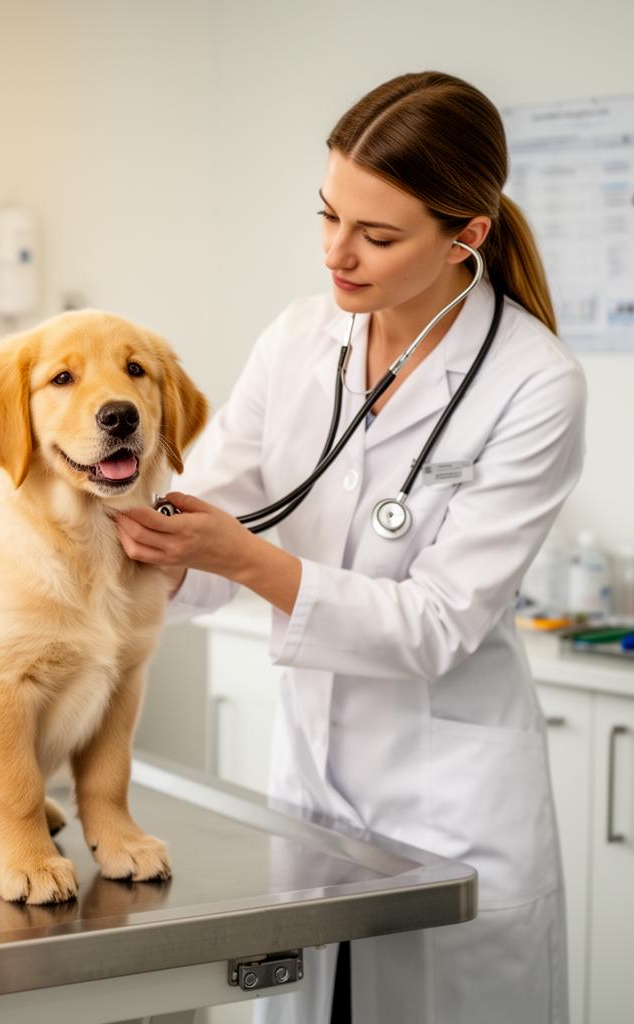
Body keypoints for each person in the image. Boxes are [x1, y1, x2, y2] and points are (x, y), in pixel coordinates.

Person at [114, 71, 585, 1024]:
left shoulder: (535, 383)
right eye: (329, 216)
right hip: (312, 808)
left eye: (377, 236)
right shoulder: (298, 339)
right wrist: (103, 553)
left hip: (454, 812)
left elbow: (437, 625)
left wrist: (242, 559)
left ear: (467, 236)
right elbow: (201, 512)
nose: (338, 253)